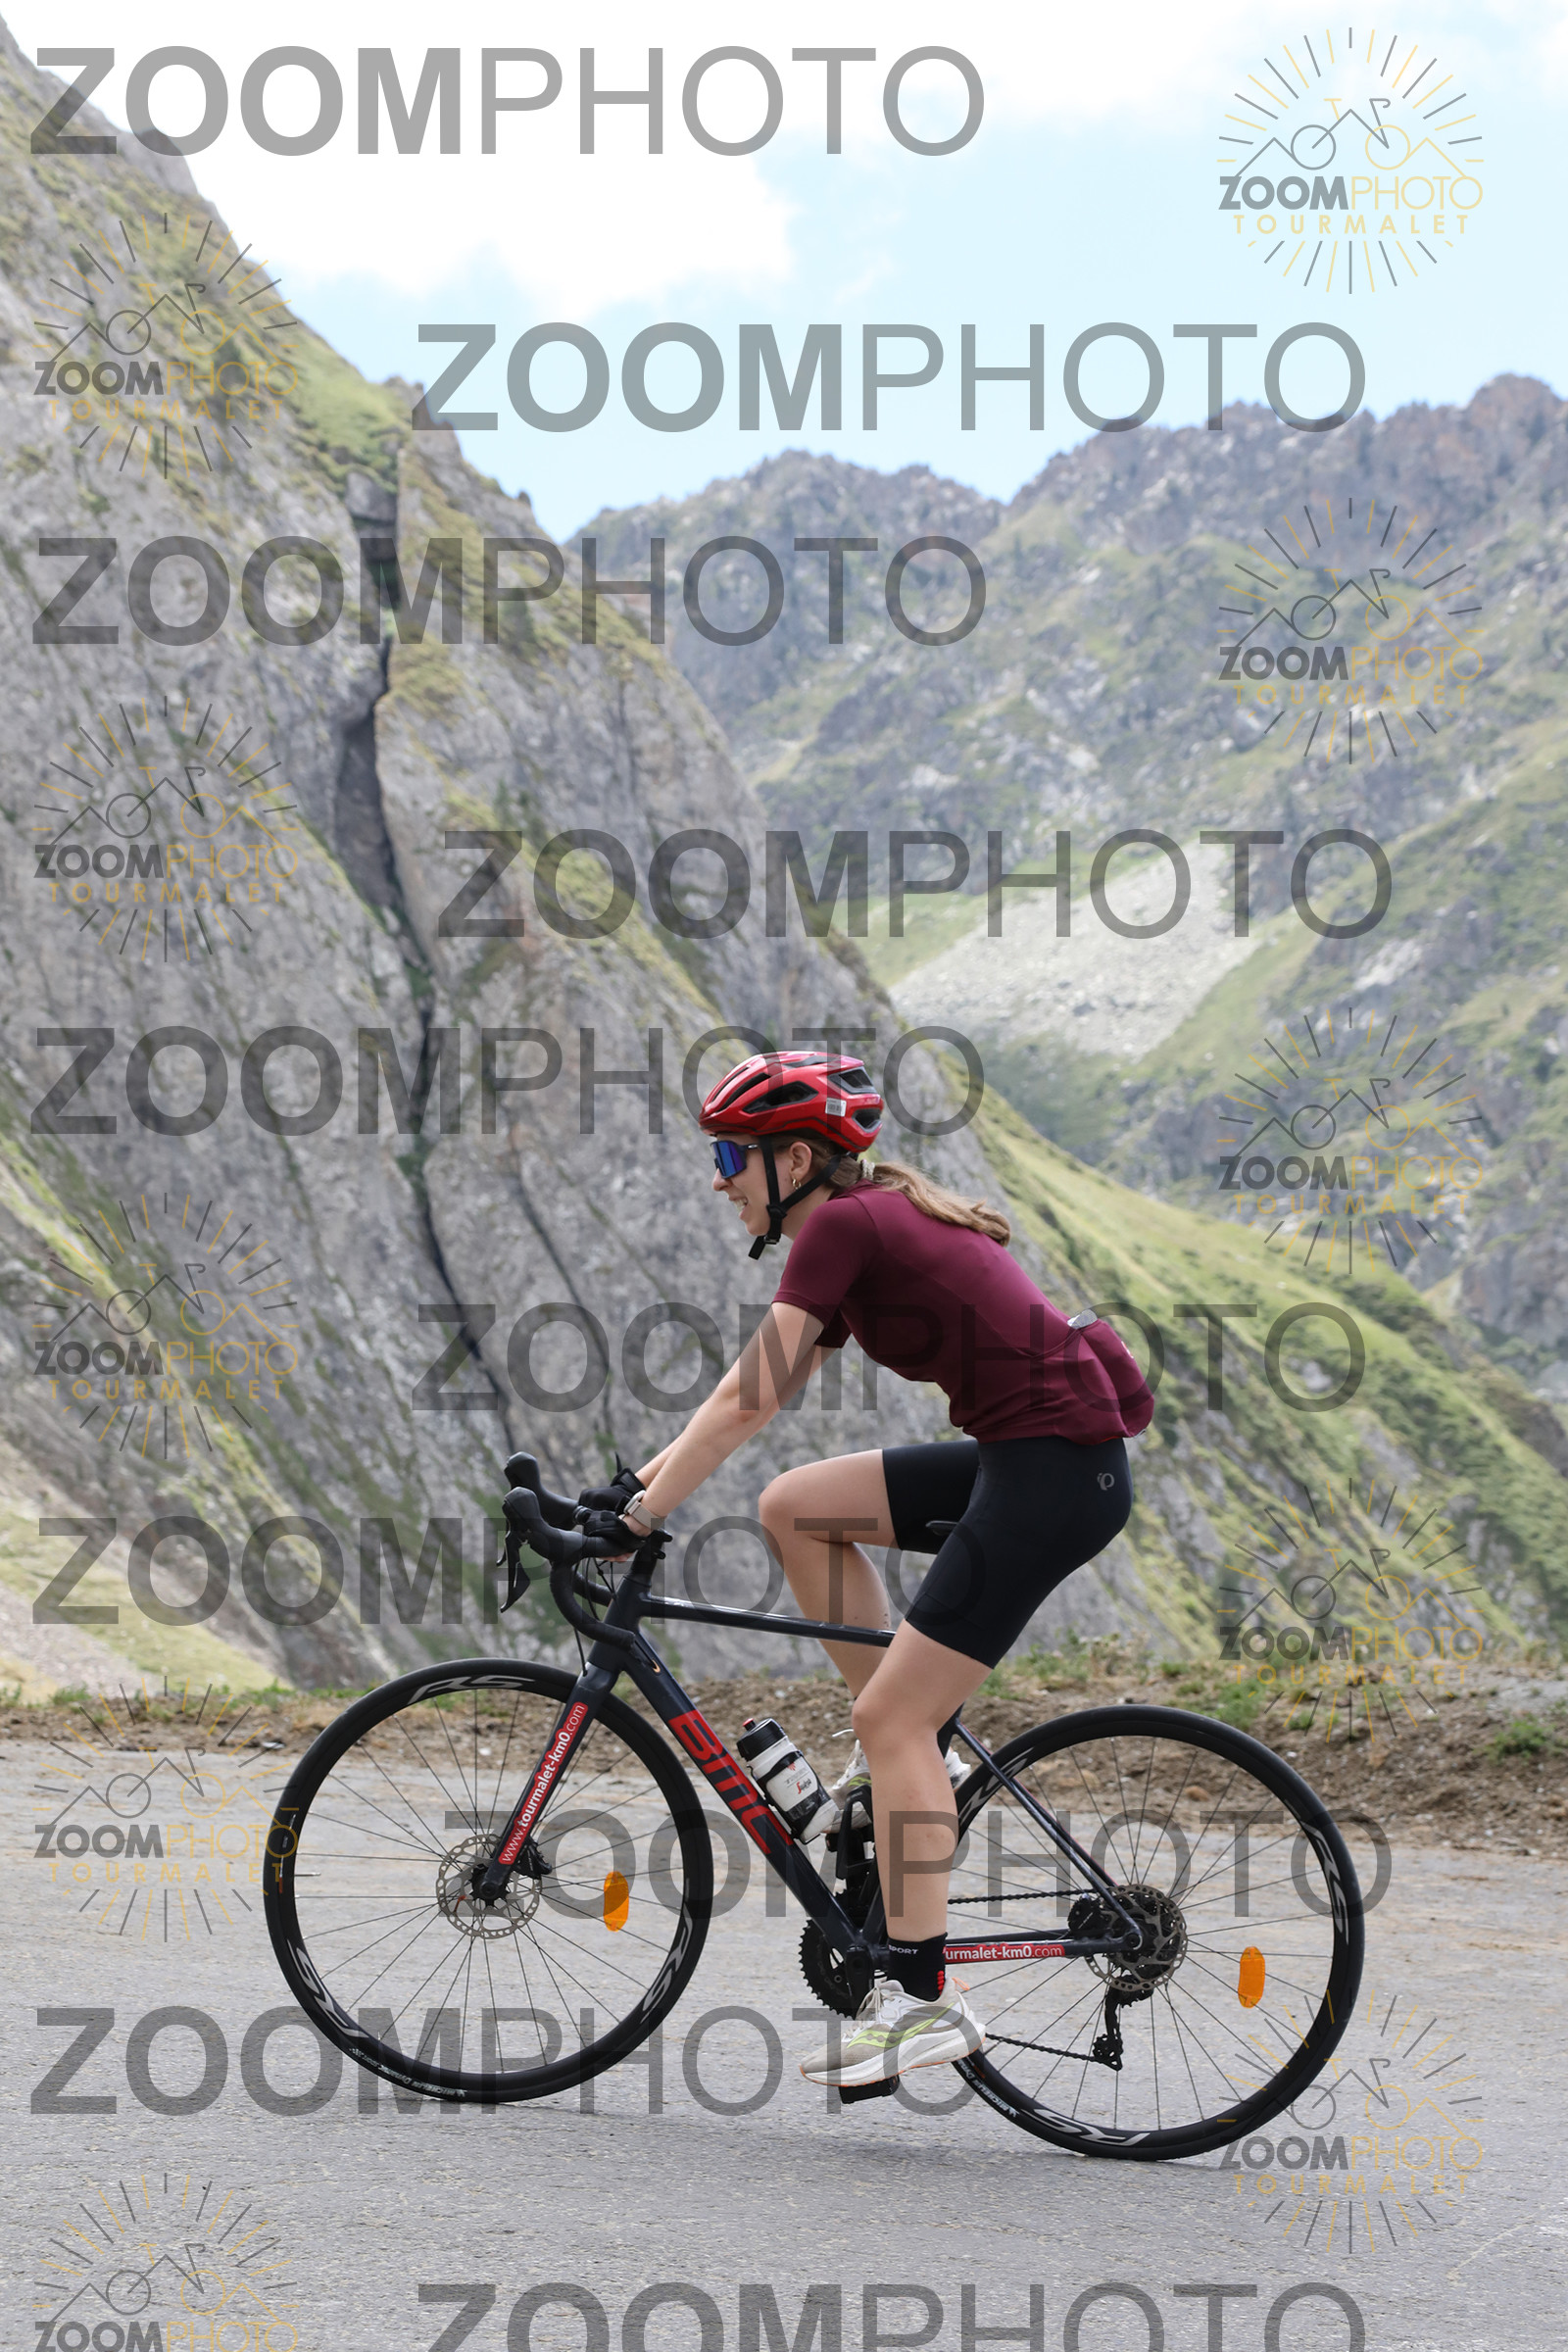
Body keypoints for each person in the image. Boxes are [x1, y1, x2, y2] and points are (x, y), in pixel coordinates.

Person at [583, 1050, 1152, 2091]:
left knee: (890, 1716)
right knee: (797, 1508)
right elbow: (752, 1390)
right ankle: (904, 1766)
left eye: (731, 1157)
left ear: (794, 1159)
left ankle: (925, 2001)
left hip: (1054, 1475)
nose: (718, 1179)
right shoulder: (859, 1223)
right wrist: (634, 1488)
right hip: (1036, 1459)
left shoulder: (845, 1227)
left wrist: (640, 1516)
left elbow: (748, 1398)